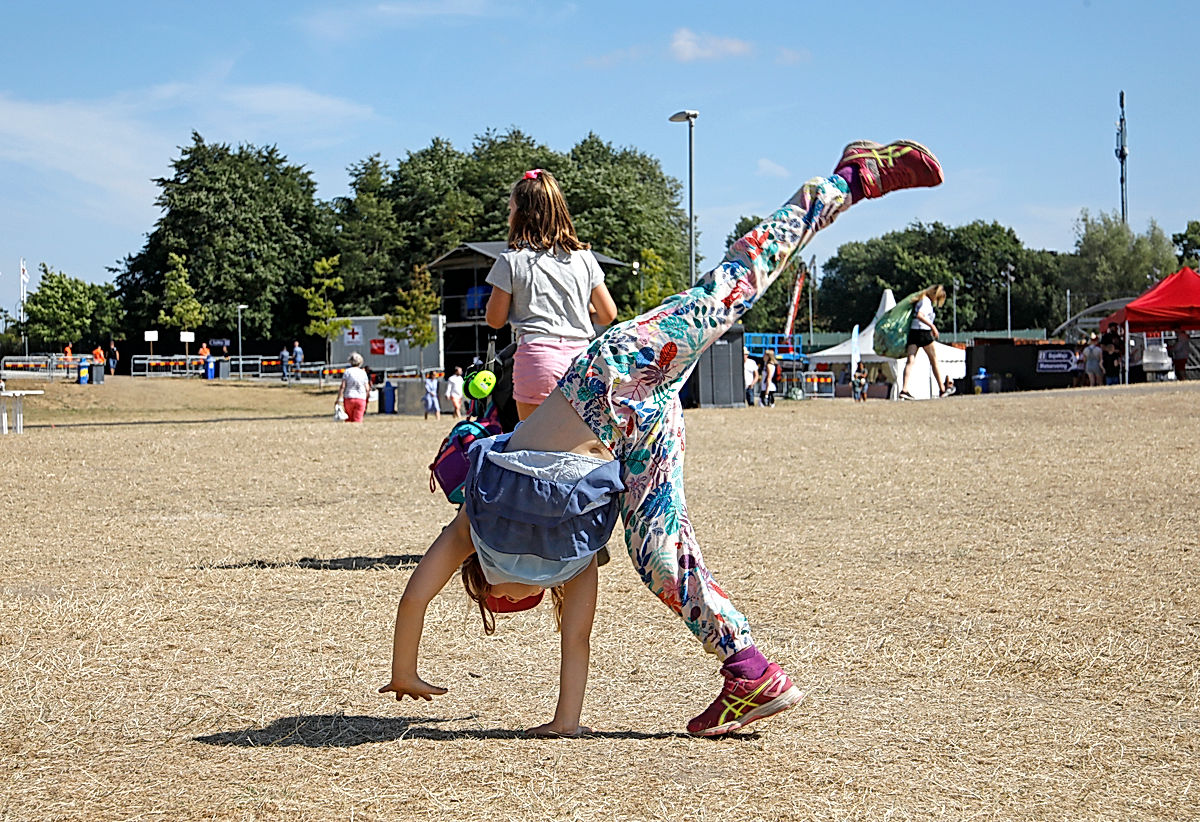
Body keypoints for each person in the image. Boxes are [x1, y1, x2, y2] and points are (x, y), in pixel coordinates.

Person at [379, 138, 944, 737]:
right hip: (637, 433)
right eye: (527, 599)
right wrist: (565, 721)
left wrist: (403, 672)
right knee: (656, 557)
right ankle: (748, 669)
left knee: (732, 286)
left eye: (505, 602)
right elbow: (578, 636)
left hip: (613, 372)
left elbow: (414, 598)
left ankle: (849, 180)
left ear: (485, 583)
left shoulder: (480, 525)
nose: (525, 596)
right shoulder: (564, 560)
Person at [485, 168, 618, 421]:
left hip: (536, 361)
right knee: (575, 448)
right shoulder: (584, 258)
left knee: (534, 448)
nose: (509, 215)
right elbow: (607, 314)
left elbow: (495, 320)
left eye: (511, 209)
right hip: (582, 361)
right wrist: (578, 310)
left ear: (522, 215)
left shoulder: (511, 260)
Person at [898, 285, 955, 400]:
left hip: (913, 332)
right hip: (923, 331)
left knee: (910, 361)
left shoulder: (920, 299)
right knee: (934, 361)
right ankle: (942, 389)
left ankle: (904, 389)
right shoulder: (926, 302)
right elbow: (920, 315)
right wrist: (932, 326)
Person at [335, 352, 371, 422]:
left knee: (348, 419)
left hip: (349, 397)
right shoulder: (363, 373)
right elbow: (367, 388)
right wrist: (367, 398)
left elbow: (343, 386)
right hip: (361, 398)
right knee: (358, 419)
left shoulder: (347, 372)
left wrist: (338, 399)